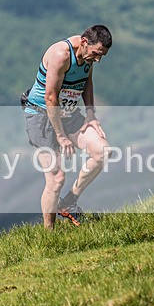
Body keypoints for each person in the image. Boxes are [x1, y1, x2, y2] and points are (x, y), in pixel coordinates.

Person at [23, 25, 112, 229]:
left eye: (102, 55)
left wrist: (90, 114)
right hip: (41, 115)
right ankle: (49, 235)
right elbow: (50, 97)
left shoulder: (88, 56)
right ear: (84, 42)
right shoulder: (60, 55)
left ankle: (68, 203)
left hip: (68, 113)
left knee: (103, 152)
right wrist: (61, 136)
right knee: (56, 179)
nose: (98, 59)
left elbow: (87, 81)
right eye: (96, 53)